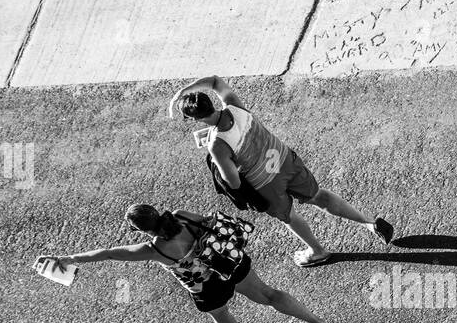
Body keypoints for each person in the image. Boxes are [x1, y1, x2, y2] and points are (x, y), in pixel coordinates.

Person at [35, 204, 346, 323]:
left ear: (141, 230)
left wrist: (69, 259)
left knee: (222, 315)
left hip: (206, 286)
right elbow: (211, 224)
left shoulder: (152, 250)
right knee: (269, 294)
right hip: (229, 263)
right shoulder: (182, 216)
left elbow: (107, 254)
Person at [168, 75, 393, 267]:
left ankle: (317, 251)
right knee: (319, 196)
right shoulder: (234, 106)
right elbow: (215, 81)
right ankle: (369, 223)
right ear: (210, 103)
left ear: (195, 119)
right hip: (283, 158)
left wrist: (217, 161)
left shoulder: (217, 145)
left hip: (266, 183)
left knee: (290, 217)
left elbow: (233, 183)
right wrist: (184, 91)